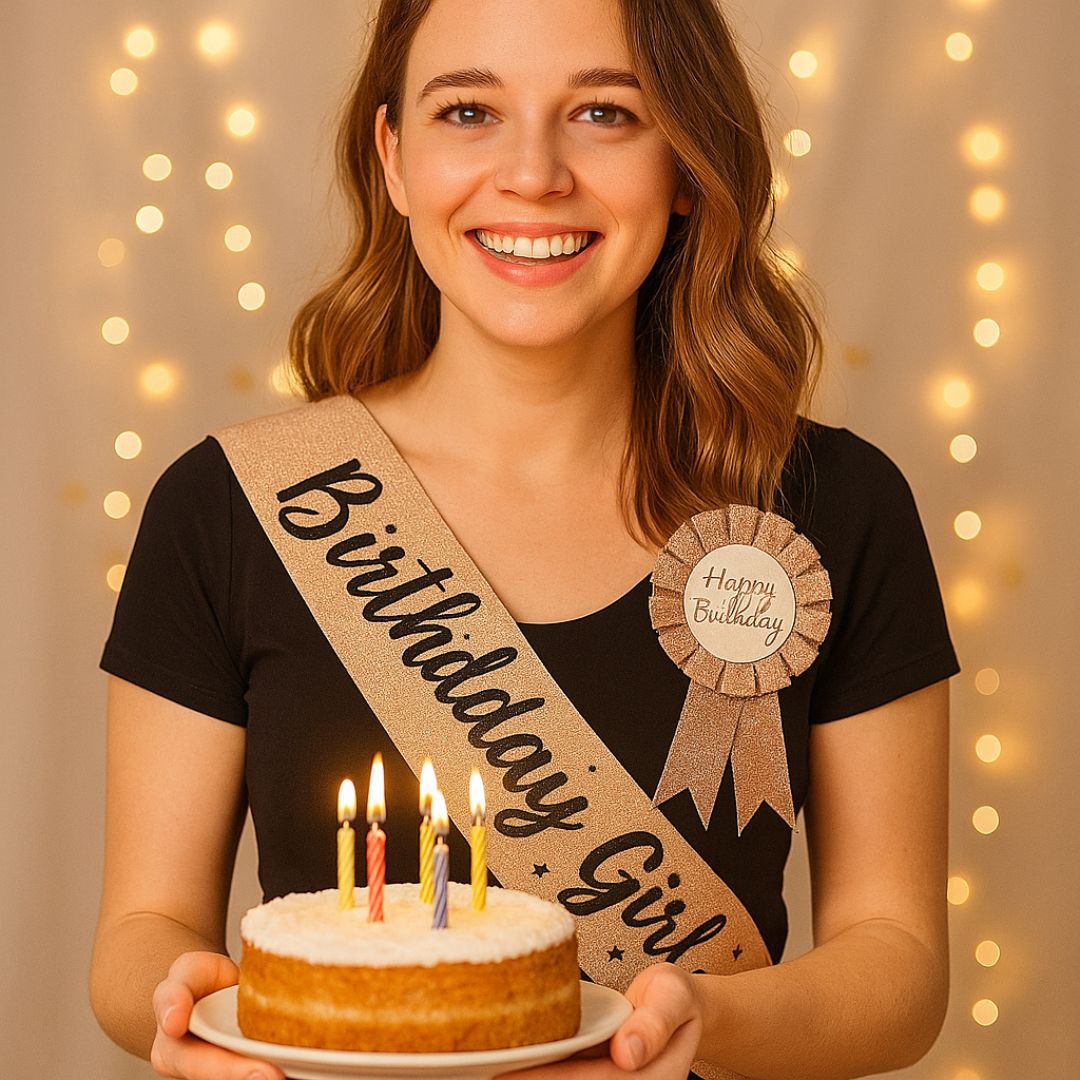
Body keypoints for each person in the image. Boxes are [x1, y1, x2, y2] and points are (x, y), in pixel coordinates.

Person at [88, 1, 960, 1078]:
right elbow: (141, 932)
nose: (534, 173)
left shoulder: (840, 505)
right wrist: (183, 1012)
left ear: (687, 162)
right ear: (393, 157)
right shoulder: (229, 507)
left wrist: (700, 1024)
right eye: (468, 111)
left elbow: (901, 960)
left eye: (604, 112)